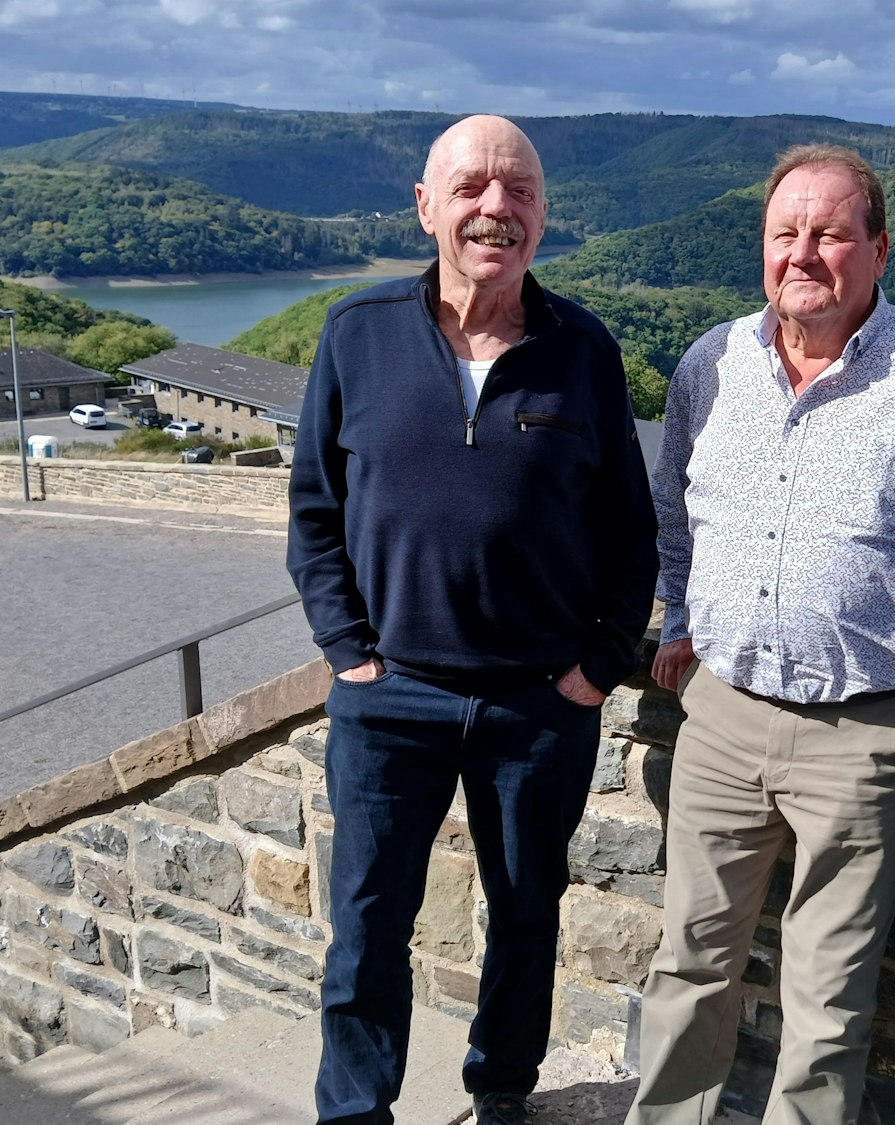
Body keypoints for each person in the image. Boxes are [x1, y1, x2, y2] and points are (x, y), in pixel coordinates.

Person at [287, 114, 657, 1125]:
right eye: (471, 188)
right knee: (366, 925)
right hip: (388, 694)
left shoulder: (582, 349)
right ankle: (355, 1109)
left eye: (520, 190)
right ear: (425, 206)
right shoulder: (356, 334)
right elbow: (314, 509)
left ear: (542, 213)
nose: (496, 208)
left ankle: (502, 1093)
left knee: (526, 916)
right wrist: (347, 652)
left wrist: (594, 670)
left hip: (538, 702)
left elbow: (631, 532)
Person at [628, 143, 895, 1124]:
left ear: (877, 250)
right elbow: (675, 513)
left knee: (827, 1002)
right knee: (686, 968)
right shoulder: (711, 363)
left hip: (868, 733)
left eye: (830, 233)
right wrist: (675, 616)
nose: (803, 252)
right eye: (784, 232)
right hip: (718, 717)